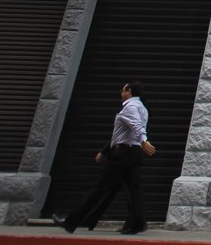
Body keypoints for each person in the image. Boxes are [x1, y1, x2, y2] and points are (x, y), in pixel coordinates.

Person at [54, 81, 156, 236]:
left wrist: (144, 140)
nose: (121, 92)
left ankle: (71, 221)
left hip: (124, 154)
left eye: (122, 89)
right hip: (132, 154)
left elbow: (136, 126)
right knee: (135, 190)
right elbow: (124, 132)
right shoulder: (142, 107)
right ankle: (137, 224)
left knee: (100, 188)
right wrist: (106, 150)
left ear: (128, 91)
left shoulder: (131, 107)